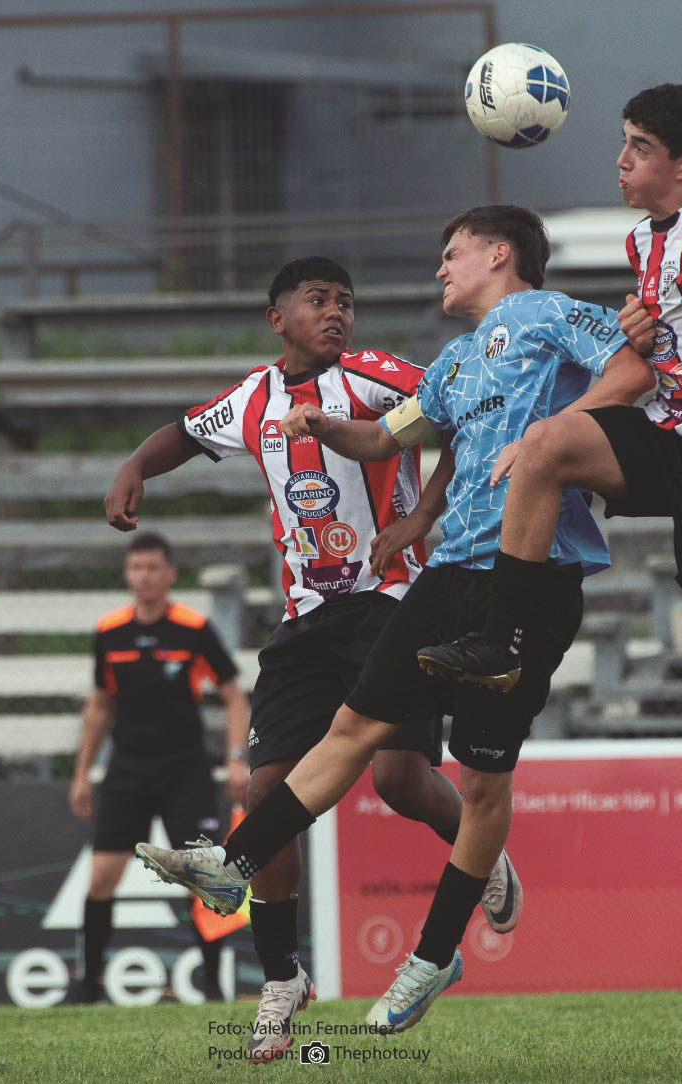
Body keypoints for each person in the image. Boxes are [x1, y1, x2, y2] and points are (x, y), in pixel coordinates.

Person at [132, 206, 654, 1033]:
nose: (439, 271)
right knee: (348, 731)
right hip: (445, 577)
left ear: (497, 252)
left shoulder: (549, 314)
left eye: (450, 255)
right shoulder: (448, 367)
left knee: (477, 781)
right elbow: (383, 441)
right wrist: (331, 432)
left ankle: (433, 953)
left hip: (532, 579)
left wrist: (555, 434)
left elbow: (632, 370)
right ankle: (231, 867)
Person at [104, 256, 517, 1061]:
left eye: (345, 302)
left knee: (397, 781)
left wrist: (420, 516)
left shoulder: (374, 377)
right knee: (266, 786)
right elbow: (182, 434)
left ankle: (482, 852)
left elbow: (465, 417)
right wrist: (132, 466)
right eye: (318, 299)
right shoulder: (253, 398)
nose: (336, 313)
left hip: (391, 604)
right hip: (304, 619)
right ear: (276, 317)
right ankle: (281, 975)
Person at [424, 81, 682, 970]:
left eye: (636, 147)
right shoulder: (643, 239)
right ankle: (501, 639)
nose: (621, 160)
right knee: (545, 445)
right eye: (622, 143)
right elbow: (661, 331)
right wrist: (642, 327)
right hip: (669, 439)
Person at [67, 531, 250, 1003]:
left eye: (153, 568)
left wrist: (236, 759)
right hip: (126, 770)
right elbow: (101, 703)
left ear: (170, 575)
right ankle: (88, 988)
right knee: (102, 876)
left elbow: (234, 695)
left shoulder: (192, 627)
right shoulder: (109, 630)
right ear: (127, 574)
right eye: (136, 568)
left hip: (184, 771)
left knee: (202, 877)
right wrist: (82, 771)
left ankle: (213, 987)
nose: (144, 577)